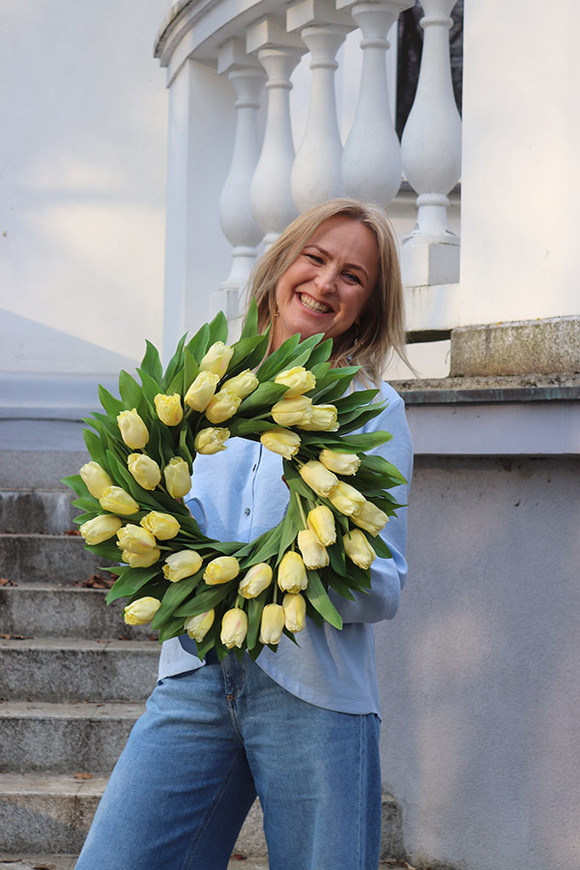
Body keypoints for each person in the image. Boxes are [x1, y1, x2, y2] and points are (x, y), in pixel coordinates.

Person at [75, 198, 414, 870]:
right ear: (281, 264)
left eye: (352, 276)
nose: (325, 283)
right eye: (314, 259)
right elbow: (157, 525)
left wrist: (301, 574)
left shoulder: (373, 408)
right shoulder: (199, 388)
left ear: (368, 306)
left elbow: (385, 588)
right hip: (196, 676)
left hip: (312, 690)